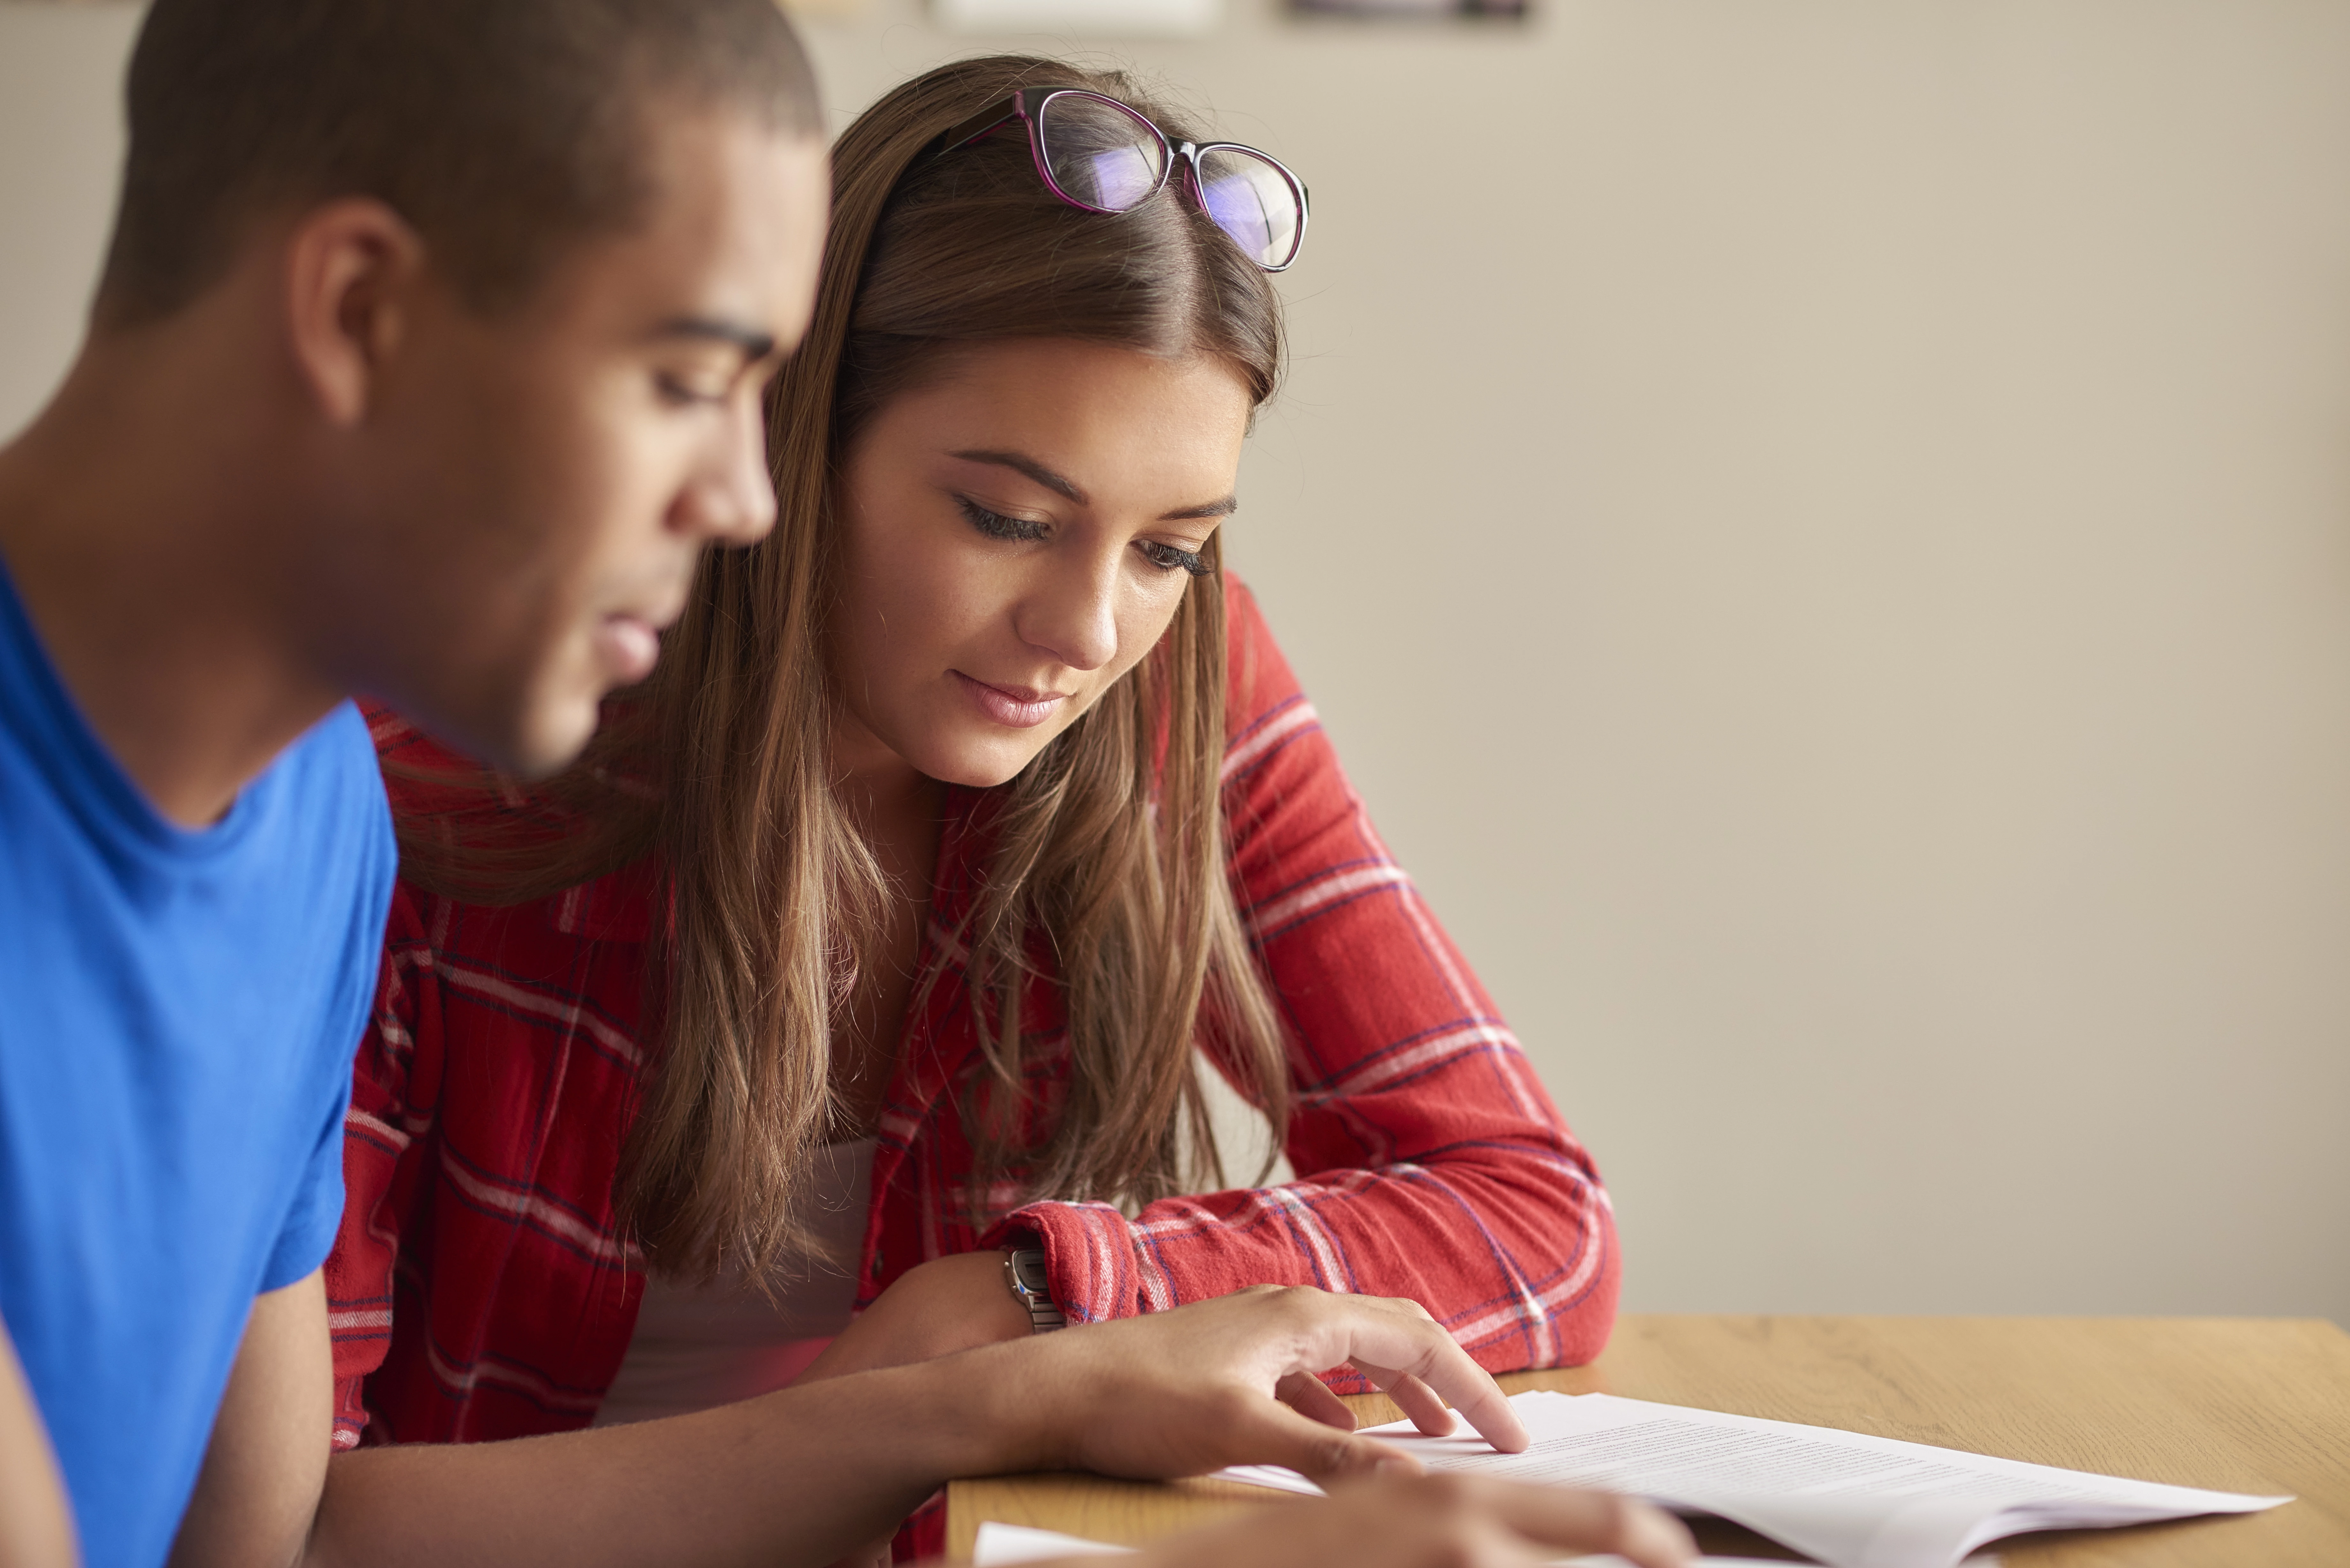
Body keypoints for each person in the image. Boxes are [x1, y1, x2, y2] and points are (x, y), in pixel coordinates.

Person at [0, 4, 1692, 1567]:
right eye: (686, 384)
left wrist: (1034, 1322)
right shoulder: (404, 777)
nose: (741, 497)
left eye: (1171, 549)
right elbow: (315, 1539)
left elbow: (248, 1539)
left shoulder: (301, 820)